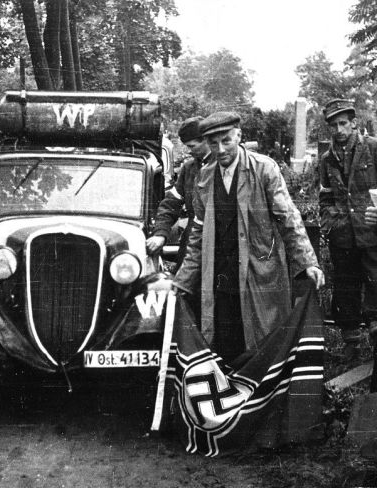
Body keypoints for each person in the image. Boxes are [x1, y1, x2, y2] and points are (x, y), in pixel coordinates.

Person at [172, 111, 324, 364]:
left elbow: (288, 219)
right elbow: (198, 235)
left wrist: (308, 262)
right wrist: (182, 282)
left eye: (226, 141)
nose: (220, 149)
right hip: (220, 274)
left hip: (258, 272)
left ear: (239, 137)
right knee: (223, 338)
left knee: (262, 338)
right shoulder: (205, 177)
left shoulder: (264, 169)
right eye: (213, 143)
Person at [319, 99, 377, 360]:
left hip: (371, 231)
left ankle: (376, 338)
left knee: (375, 282)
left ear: (354, 123)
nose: (339, 129)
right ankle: (351, 341)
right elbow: (326, 196)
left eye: (344, 123)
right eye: (334, 125)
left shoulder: (373, 148)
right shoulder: (327, 159)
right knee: (345, 288)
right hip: (342, 235)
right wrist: (329, 223)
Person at [146, 117, 212, 269]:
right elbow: (171, 204)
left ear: (206, 140)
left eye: (192, 146)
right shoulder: (189, 168)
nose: (189, 150)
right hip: (190, 245)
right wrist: (160, 233)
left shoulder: (222, 166)